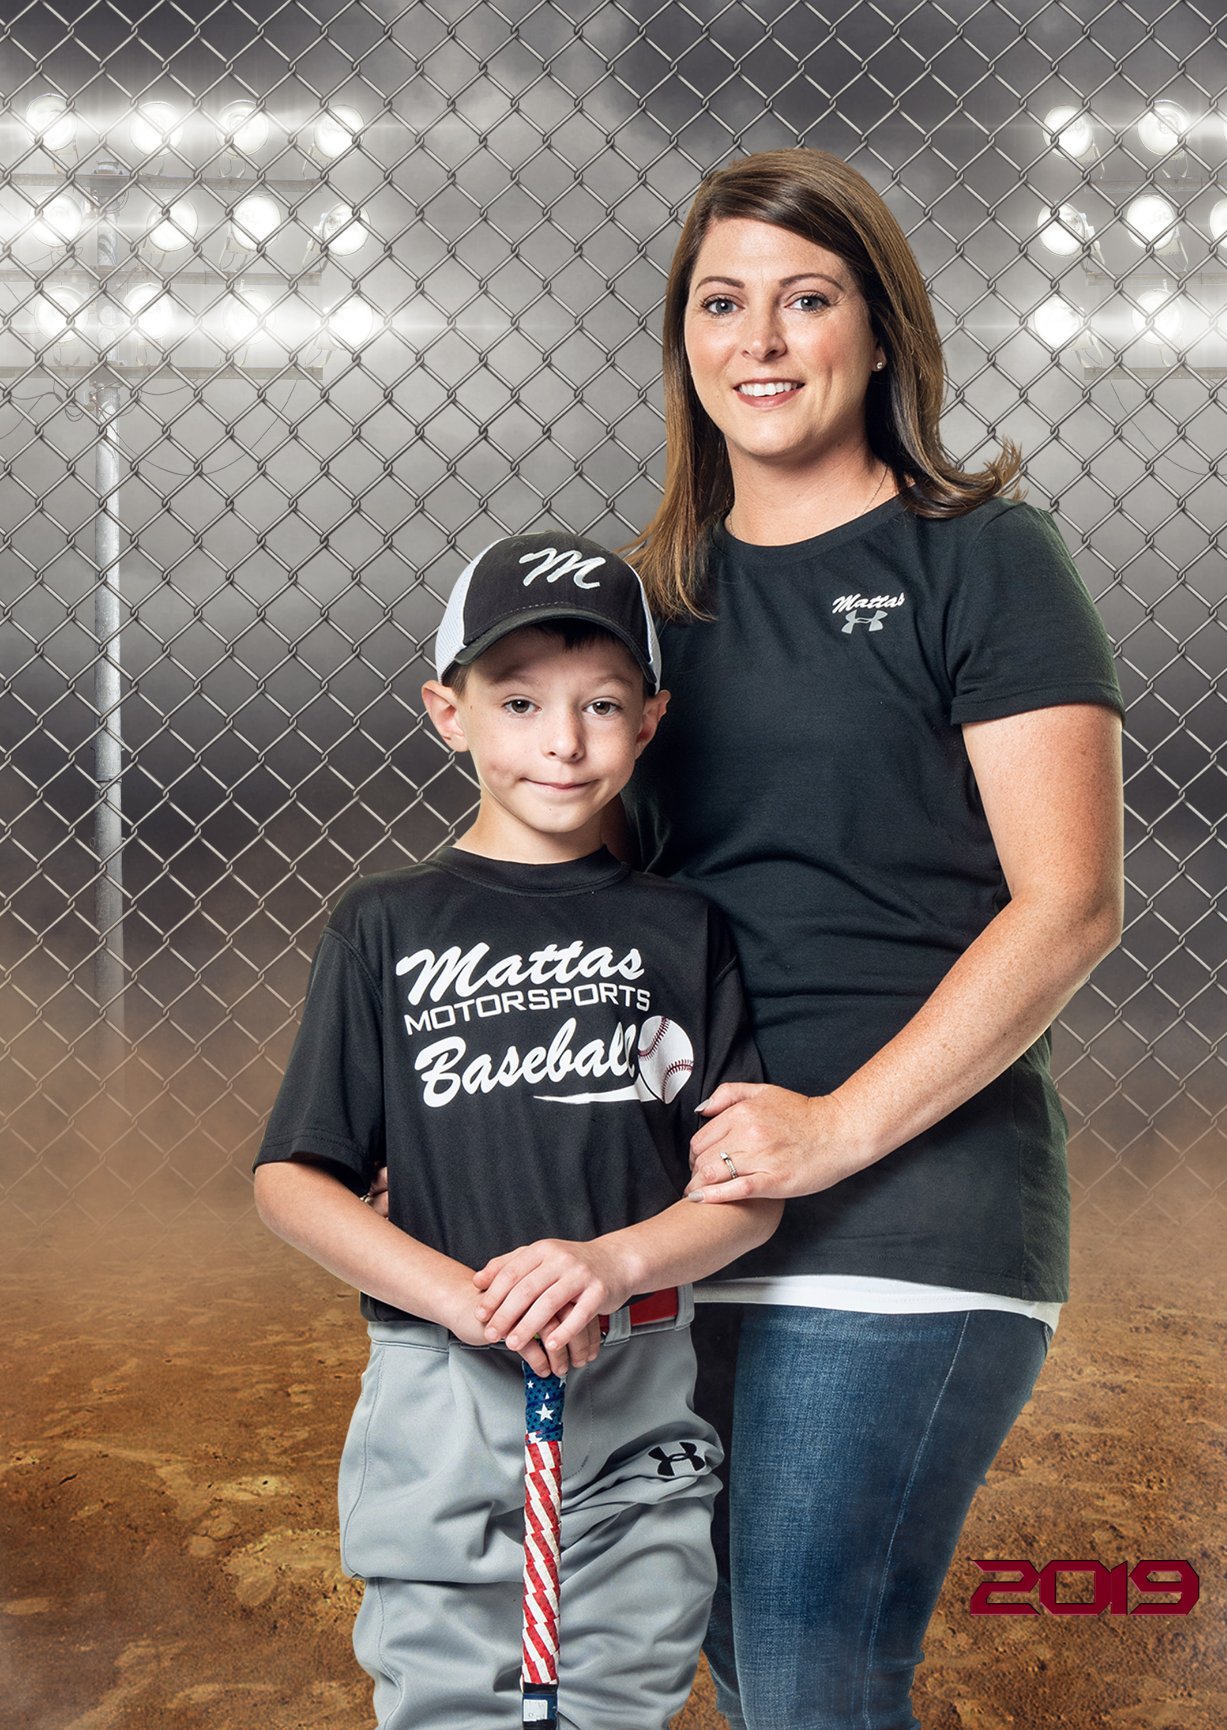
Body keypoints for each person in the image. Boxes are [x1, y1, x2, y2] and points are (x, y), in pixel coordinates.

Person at [617, 149, 1126, 1730]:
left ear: (882, 330)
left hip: (910, 1207)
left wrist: (837, 1130)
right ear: (685, 345)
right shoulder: (639, 606)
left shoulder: (981, 558)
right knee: (745, 1654)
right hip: (690, 1212)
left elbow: (1071, 902)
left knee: (814, 1674)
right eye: (723, 302)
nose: (760, 340)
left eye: (806, 297)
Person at [253, 530, 781, 1730]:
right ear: (449, 712)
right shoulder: (385, 924)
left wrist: (608, 1261)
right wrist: (459, 1296)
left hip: (636, 1373)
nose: (563, 739)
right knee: (445, 1696)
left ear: (650, 721)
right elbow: (295, 1178)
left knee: (618, 1693)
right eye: (520, 699)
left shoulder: (684, 930)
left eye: (601, 704)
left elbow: (747, 1189)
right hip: (440, 1382)